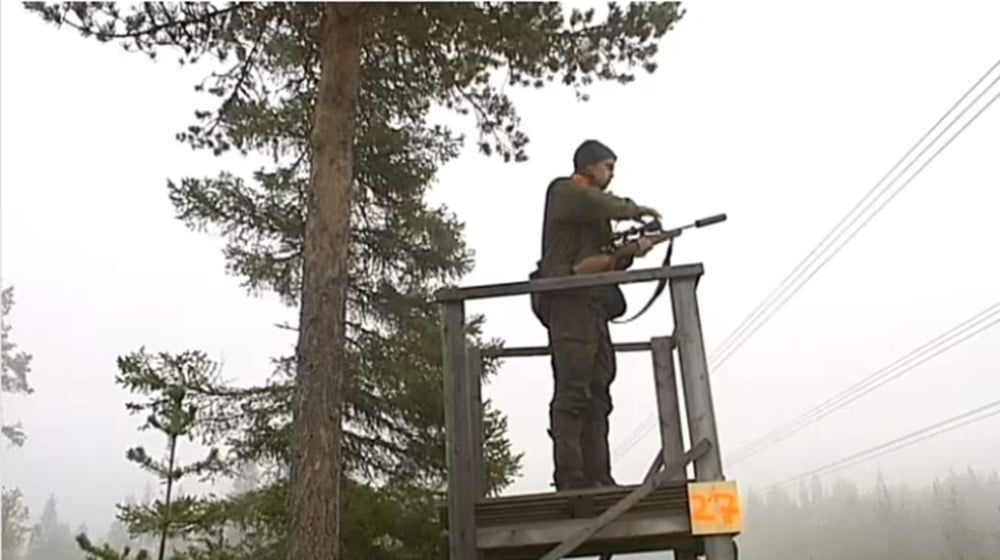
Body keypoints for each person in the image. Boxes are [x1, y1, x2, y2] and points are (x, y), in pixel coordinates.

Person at [530, 139, 661, 490]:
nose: (612, 174)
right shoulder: (564, 192)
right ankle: (570, 479)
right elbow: (596, 203)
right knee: (573, 391)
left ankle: (598, 477)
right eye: (608, 166)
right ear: (588, 166)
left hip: (592, 307)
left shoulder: (592, 214)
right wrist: (635, 210)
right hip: (570, 305)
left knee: (598, 391)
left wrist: (633, 250)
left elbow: (604, 259)